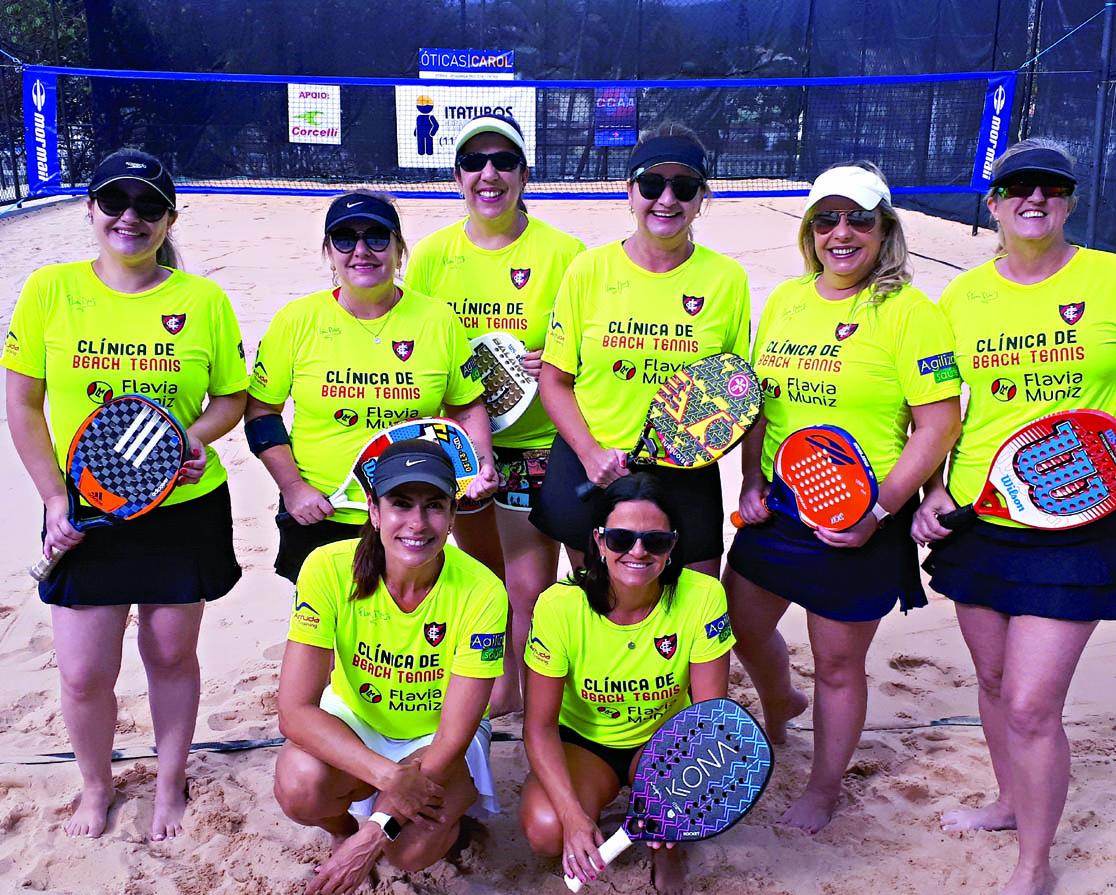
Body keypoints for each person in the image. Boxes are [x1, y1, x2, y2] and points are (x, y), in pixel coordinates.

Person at [912, 138, 1116, 895]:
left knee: (1031, 702)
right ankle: (1006, 802)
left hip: (1078, 515)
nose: (1035, 198)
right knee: (992, 683)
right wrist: (932, 488)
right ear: (992, 204)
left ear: (1068, 200)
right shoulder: (959, 300)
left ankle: (1033, 866)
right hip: (981, 517)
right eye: (1017, 186)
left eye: (1051, 187)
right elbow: (936, 414)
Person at [2, 149, 248, 839]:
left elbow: (231, 398)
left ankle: (170, 782)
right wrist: (54, 499)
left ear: (170, 218)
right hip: (83, 505)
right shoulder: (51, 289)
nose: (130, 217)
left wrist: (194, 438)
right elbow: (22, 406)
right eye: (115, 201)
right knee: (84, 673)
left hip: (180, 507)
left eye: (148, 205)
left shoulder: (201, 300)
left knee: (170, 654)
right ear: (90, 209)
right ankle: (94, 786)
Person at [723, 162, 962, 833]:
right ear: (809, 230)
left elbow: (938, 423)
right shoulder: (788, 301)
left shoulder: (909, 312)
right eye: (826, 219)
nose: (841, 232)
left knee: (836, 662)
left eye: (858, 218)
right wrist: (748, 480)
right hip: (780, 506)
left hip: (861, 512)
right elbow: (761, 406)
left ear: (884, 227)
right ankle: (780, 702)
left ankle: (823, 788)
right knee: (740, 626)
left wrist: (879, 510)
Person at [404, 114, 586, 715]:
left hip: (538, 441)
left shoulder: (564, 254)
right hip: (460, 443)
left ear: (524, 174)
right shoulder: (432, 256)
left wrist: (556, 359)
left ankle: (539, 701)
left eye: (503, 161)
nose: (489, 174)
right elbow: (418, 341)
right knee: (483, 577)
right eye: (475, 162)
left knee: (530, 587)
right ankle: (502, 692)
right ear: (458, 176)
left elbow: (591, 349)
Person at [273, 439, 508, 895]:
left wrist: (375, 834)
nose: (417, 524)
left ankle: (439, 828)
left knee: (409, 852)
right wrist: (388, 781)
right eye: (400, 504)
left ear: (452, 516)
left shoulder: (483, 591)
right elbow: (294, 711)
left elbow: (453, 736)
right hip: (357, 720)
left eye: (434, 506)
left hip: (435, 739)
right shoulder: (326, 567)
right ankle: (344, 828)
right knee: (299, 785)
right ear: (374, 511)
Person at [244, 192, 498, 583]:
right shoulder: (296, 321)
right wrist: (293, 487)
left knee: (403, 632)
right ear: (329, 252)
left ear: (399, 248)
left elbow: (466, 406)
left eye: (377, 237)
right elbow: (262, 414)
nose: (361, 250)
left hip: (410, 514)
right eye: (345, 239)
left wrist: (482, 464)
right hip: (322, 511)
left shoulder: (437, 320)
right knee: (323, 636)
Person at [533, 123, 750, 577]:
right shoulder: (587, 270)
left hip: (685, 471)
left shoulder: (727, 280)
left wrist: (697, 444)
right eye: (652, 184)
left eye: (684, 186)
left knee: (695, 610)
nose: (667, 199)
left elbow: (734, 392)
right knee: (601, 607)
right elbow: (554, 380)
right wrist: (592, 454)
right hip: (591, 464)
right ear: (630, 192)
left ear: (701, 198)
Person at [519, 474, 734, 895]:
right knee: (546, 830)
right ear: (598, 542)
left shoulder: (704, 595)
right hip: (583, 742)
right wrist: (571, 815)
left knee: (692, 797)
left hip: (666, 738)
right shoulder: (560, 605)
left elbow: (710, 720)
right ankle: (600, 812)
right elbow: (538, 726)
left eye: (655, 541)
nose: (638, 551)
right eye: (620, 539)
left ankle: (665, 845)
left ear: (673, 544)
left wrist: (678, 797)